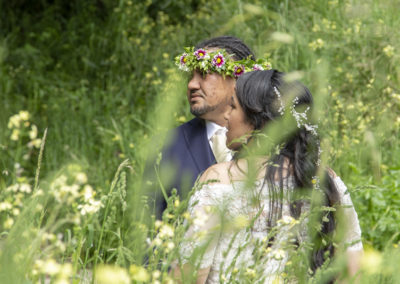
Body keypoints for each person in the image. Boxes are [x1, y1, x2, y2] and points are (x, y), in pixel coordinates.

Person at [173, 70, 363, 283]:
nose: (226, 116)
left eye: (233, 107)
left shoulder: (219, 179)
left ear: (259, 122)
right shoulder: (324, 179)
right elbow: (352, 272)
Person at [149, 36, 271, 219]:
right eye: (191, 76)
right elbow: (147, 227)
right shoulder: (164, 145)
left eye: (204, 74)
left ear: (239, 76)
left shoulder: (272, 139)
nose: (191, 85)